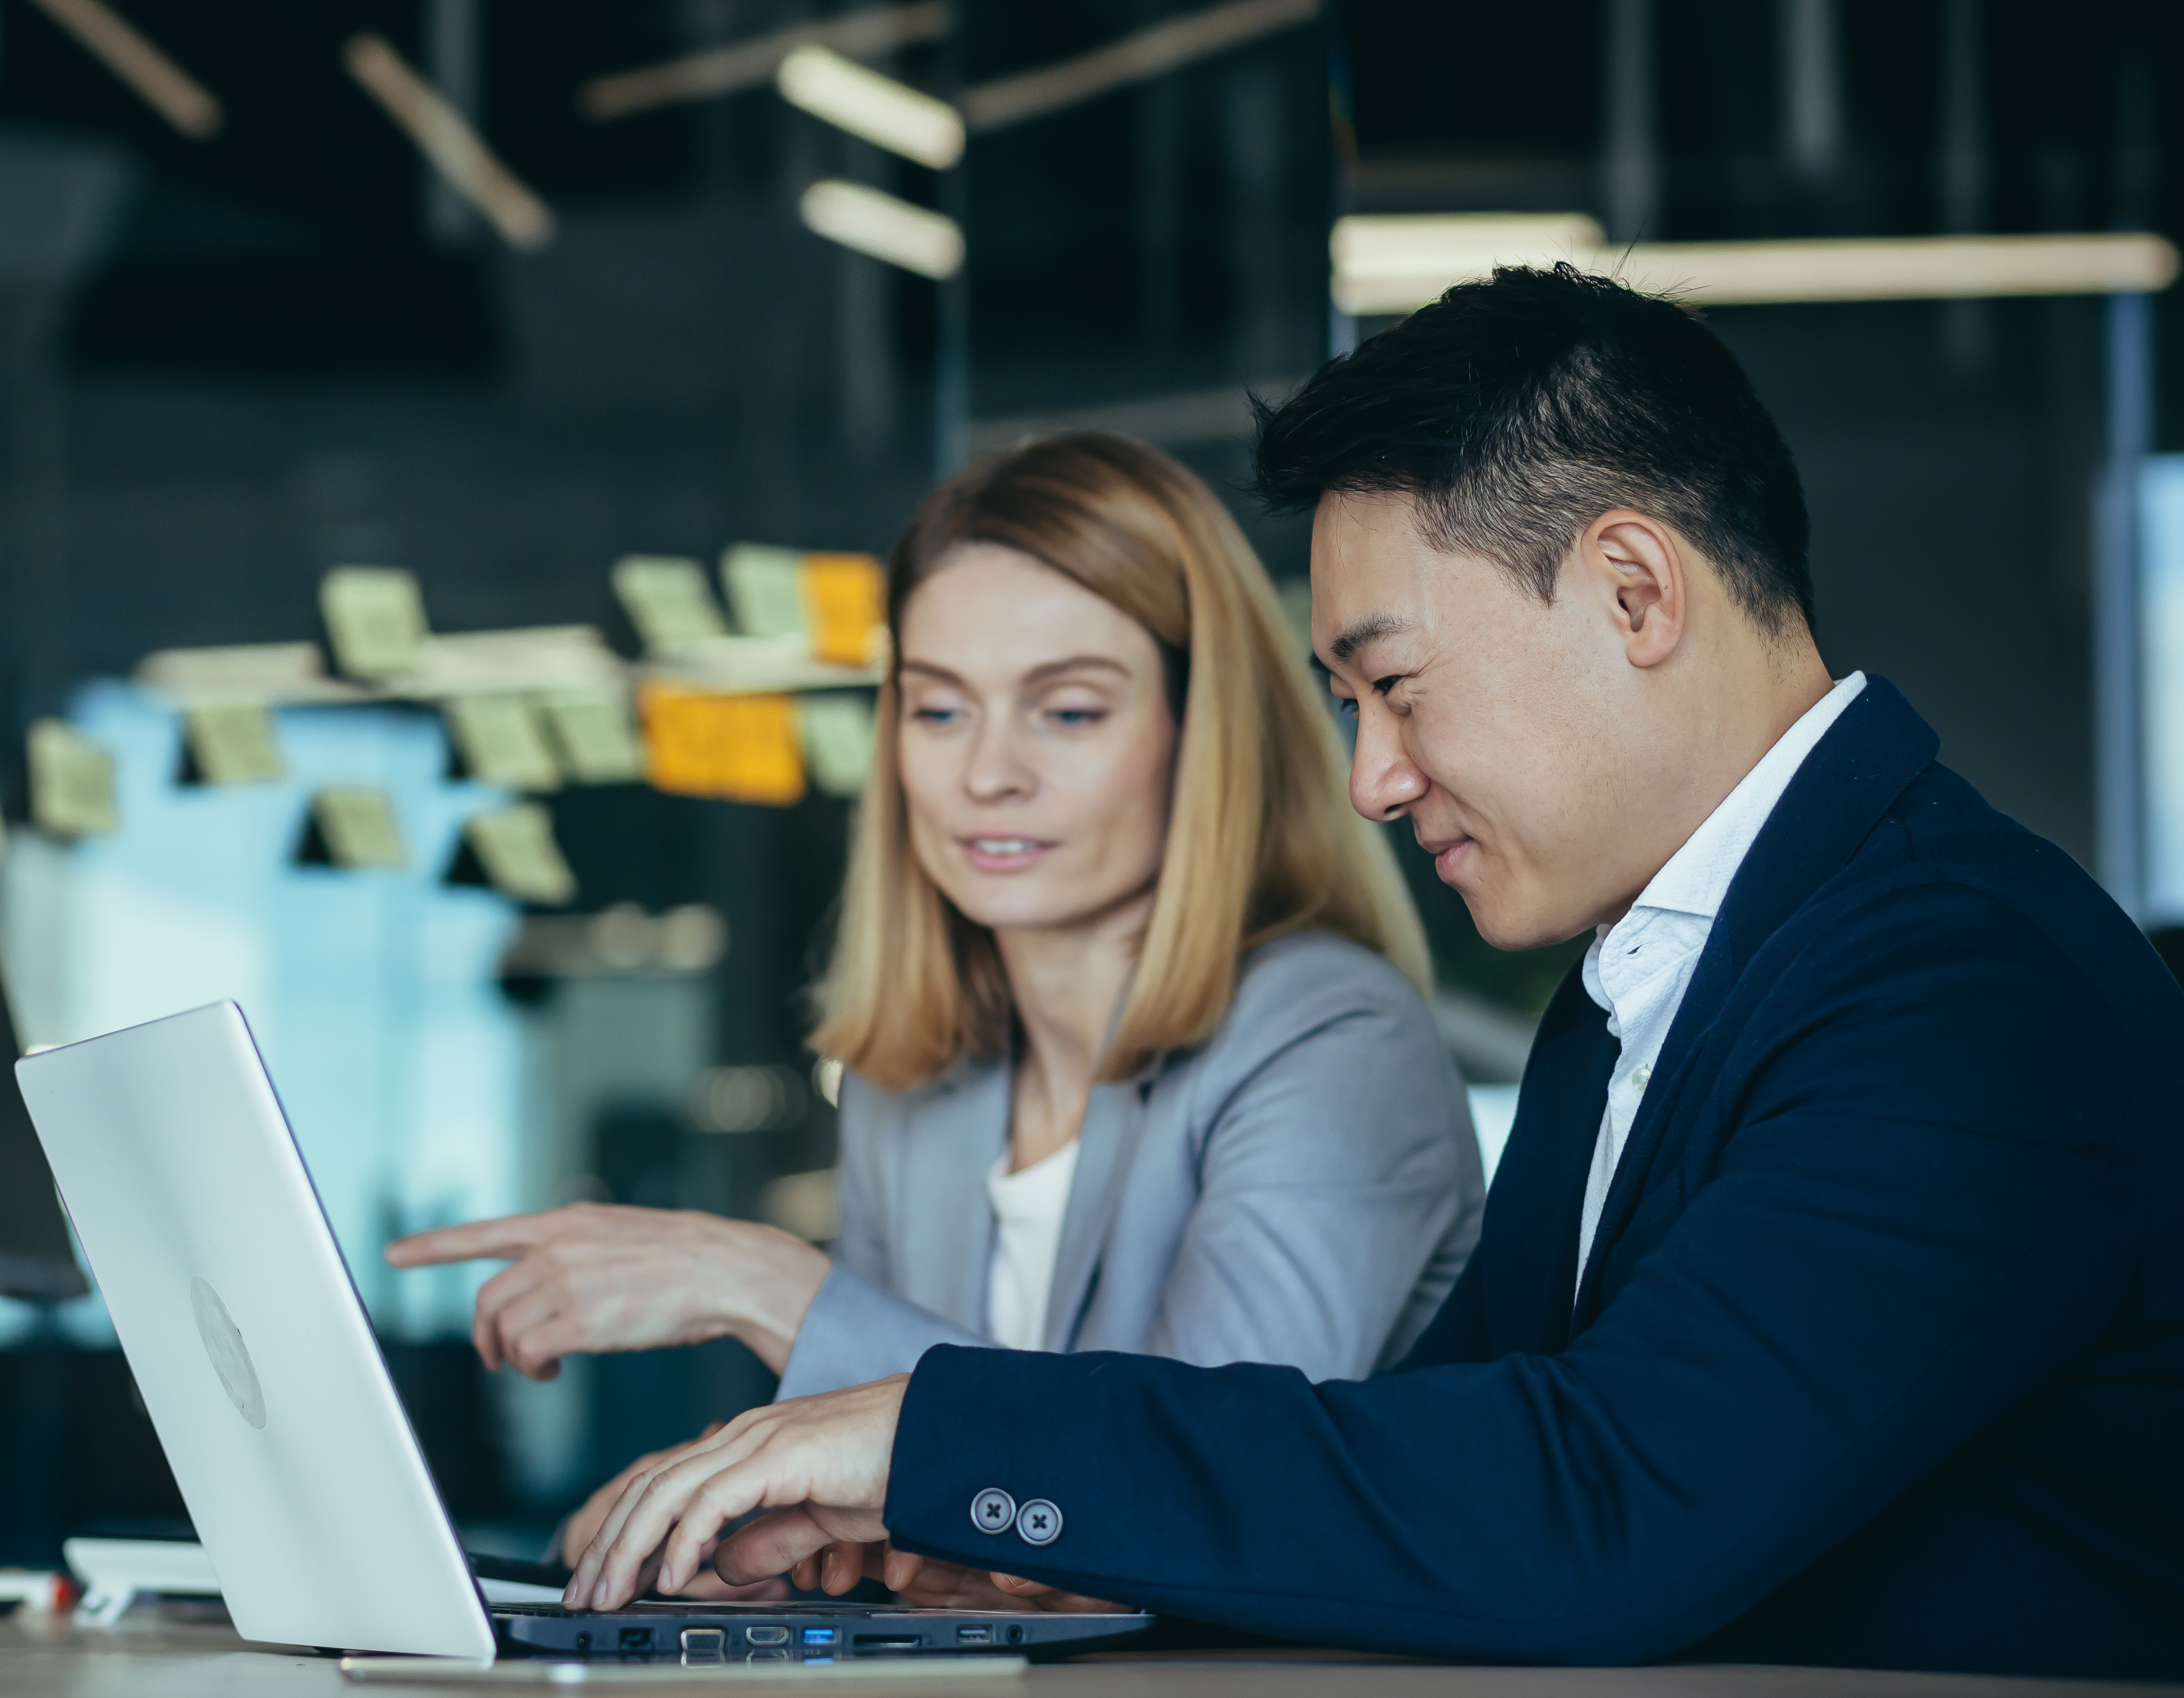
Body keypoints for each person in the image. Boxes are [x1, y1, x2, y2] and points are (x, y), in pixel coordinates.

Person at [556, 267, 2184, 1679]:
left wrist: (931, 1434)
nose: (1374, 779)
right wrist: (990, 1544)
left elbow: (1601, 1506)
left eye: (1395, 685)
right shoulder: (1649, 981)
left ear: (1633, 590)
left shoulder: (1966, 984)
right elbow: (1423, 1474)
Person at [389, 432, 1487, 1584]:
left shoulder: (1331, 1045)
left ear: (1198, 735)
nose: (986, 774)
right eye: (938, 711)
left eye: (1065, 712)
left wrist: (766, 1288)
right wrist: (727, 1517)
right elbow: (907, 1512)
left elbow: (1196, 1499)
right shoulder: (912, 1084)